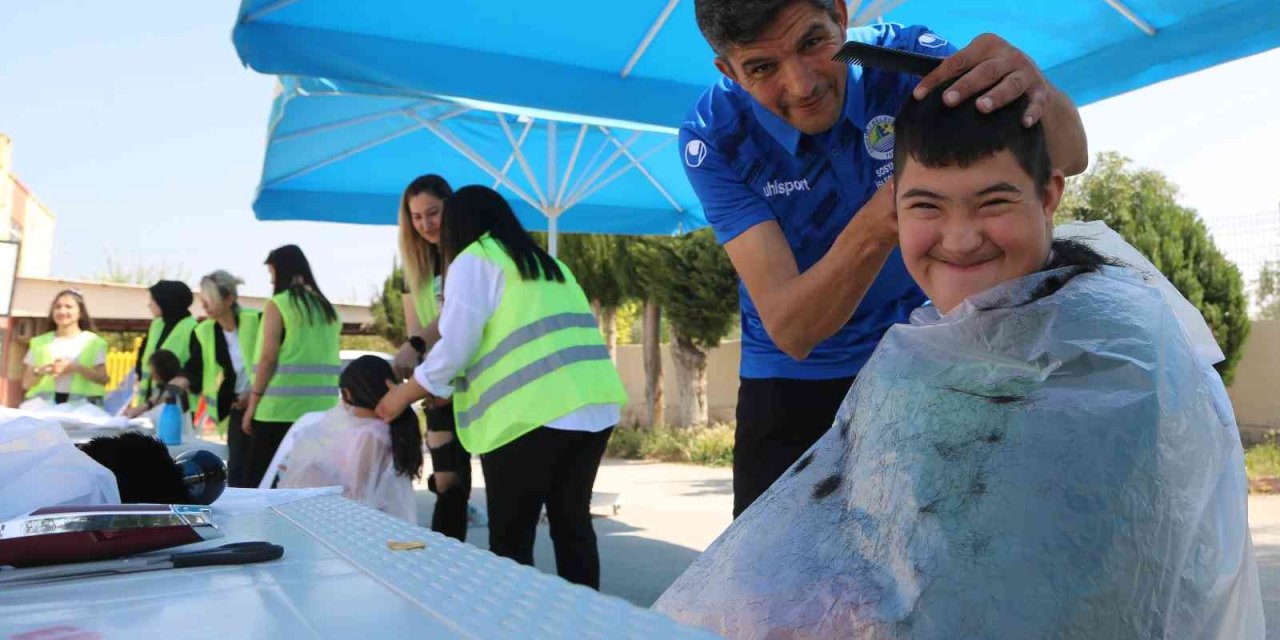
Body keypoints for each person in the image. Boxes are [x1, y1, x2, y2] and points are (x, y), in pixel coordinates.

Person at [654, 82, 1263, 638]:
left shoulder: (1114, 356)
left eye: (993, 201)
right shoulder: (922, 352)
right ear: (892, 209)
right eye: (926, 207)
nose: (960, 237)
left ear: (1049, 194)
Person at [684, 0, 1089, 517]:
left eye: (812, 42)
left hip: (926, 351)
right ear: (728, 71)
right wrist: (892, 214)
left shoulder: (906, 61)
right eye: (761, 68)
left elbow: (1070, 155)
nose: (802, 85)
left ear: (838, 12)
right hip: (791, 382)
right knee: (767, 586)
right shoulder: (712, 134)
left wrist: (1034, 86)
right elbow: (794, 329)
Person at [377, 186, 627, 589]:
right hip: (593, 411)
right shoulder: (548, 265)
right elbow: (506, 341)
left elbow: (457, 345)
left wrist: (401, 396)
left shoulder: (474, 260)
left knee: (512, 539)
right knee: (572, 525)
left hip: (529, 419)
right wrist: (450, 382)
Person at [391, 174, 472, 541]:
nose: (426, 224)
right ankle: (447, 572)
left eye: (433, 213)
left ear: (450, 207)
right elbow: (415, 334)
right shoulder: (413, 269)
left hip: (480, 388)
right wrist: (424, 381)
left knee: (497, 495)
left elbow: (455, 318)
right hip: (439, 391)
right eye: (417, 217)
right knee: (447, 485)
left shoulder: (471, 257)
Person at [276, 355, 423, 523]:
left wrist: (312, 476)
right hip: (387, 522)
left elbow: (359, 495)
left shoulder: (371, 434)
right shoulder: (388, 428)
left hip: (371, 528)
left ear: (348, 394)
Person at [241, 245, 342, 488]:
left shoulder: (279, 304)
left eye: (272, 274)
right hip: (321, 413)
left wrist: (252, 404)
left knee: (261, 484)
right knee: (308, 485)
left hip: (278, 412)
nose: (271, 280)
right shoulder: (328, 309)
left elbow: (267, 358)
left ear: (280, 271)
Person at [178, 270, 261, 488]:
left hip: (263, 402)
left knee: (260, 469)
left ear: (229, 298)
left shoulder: (257, 320)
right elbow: (195, 366)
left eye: (210, 298)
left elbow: (272, 363)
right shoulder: (205, 330)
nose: (204, 304)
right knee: (238, 469)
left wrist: (252, 393)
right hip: (236, 406)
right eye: (203, 298)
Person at [23, 290, 110, 405]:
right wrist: (42, 370)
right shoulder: (39, 342)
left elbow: (103, 379)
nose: (62, 311)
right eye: (57, 307)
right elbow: (26, 384)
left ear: (81, 312)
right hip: (44, 411)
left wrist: (76, 368)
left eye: (68, 307)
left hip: (83, 412)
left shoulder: (94, 342)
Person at [134, 280, 198, 411]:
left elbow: (194, 371)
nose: (149, 304)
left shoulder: (193, 329)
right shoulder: (156, 325)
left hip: (176, 407)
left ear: (166, 301)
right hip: (147, 405)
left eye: (153, 299)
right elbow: (142, 358)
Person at [126, 349, 190, 416]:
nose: (151, 375)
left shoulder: (177, 390)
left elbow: (162, 398)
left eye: (153, 371)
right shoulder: (160, 388)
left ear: (162, 370)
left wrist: (142, 409)